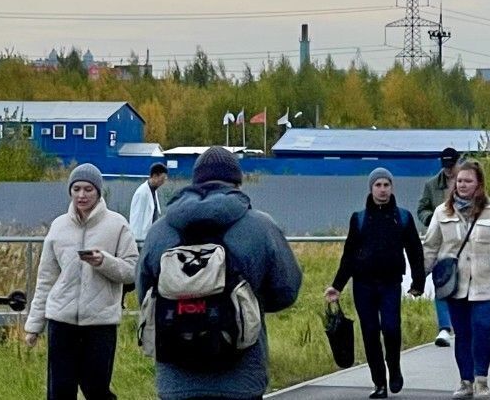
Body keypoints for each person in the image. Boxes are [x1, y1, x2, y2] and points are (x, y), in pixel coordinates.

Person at [137, 145, 302, 400]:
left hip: (176, 380)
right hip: (241, 376)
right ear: (237, 182)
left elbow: (144, 295)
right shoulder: (260, 226)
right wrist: (246, 303)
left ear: (195, 182)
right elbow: (287, 290)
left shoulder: (159, 231)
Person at [24, 163, 139, 400]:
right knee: (59, 392)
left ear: (98, 192)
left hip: (100, 323)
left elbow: (132, 271)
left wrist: (103, 262)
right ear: (70, 191)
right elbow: (46, 280)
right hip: (61, 321)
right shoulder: (58, 226)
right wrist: (34, 326)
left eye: (88, 189)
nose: (82, 195)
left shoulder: (118, 225)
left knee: (97, 390)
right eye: (76, 189)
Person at [422, 159, 490, 399]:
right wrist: (419, 278)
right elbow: (431, 247)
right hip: (455, 286)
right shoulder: (442, 212)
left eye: (468, 181)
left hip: (487, 284)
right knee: (463, 333)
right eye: (459, 181)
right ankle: (465, 381)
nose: (462, 185)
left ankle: (481, 379)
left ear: (479, 184)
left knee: (482, 328)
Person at [326, 168, 425, 398]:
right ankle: (379, 382)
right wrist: (337, 286)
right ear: (371, 188)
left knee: (391, 328)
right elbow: (348, 255)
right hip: (364, 284)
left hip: (390, 283)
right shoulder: (359, 219)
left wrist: (418, 281)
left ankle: (395, 367)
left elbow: (415, 251)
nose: (382, 190)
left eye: (386, 185)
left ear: (392, 188)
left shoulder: (402, 217)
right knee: (370, 332)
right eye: (378, 185)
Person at [417, 146, 460, 347]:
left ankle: (462, 324)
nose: (448, 170)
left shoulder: (469, 182)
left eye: (451, 165)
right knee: (442, 281)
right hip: (441, 240)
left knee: (464, 284)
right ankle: (444, 327)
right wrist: (431, 219)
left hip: (466, 242)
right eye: (445, 166)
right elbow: (422, 208)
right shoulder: (432, 185)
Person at [129, 162, 169, 242]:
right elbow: (137, 218)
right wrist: (137, 240)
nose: (163, 182)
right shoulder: (142, 193)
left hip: (150, 237)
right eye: (162, 179)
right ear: (154, 176)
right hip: (140, 238)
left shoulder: (153, 190)